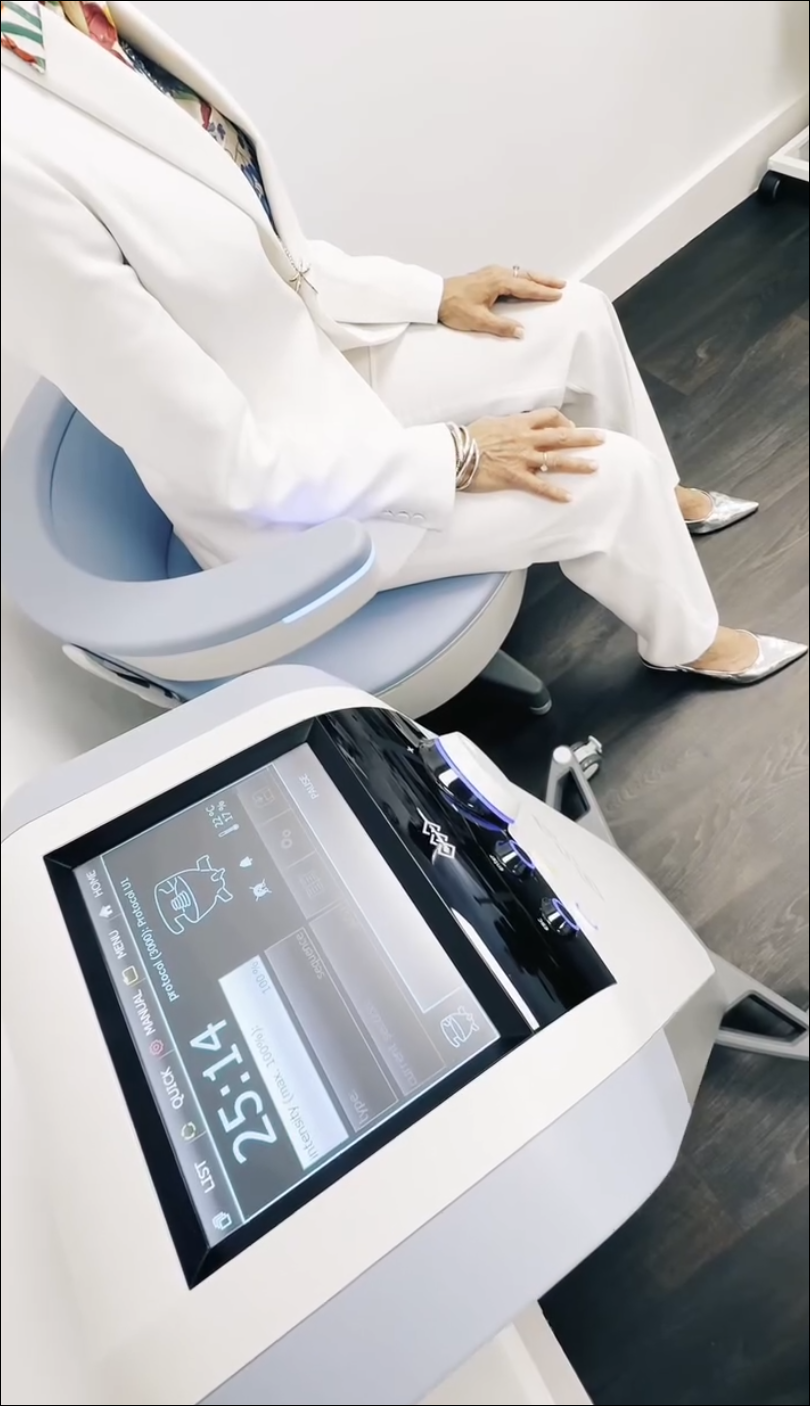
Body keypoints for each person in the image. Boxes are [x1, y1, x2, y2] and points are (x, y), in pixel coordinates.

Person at [1, 1, 805, 685]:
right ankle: (692, 645)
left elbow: (270, 252)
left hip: (319, 373)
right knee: (606, 474)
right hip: (290, 500)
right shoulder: (15, 166)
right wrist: (453, 455)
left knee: (576, 315)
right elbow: (227, 467)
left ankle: (664, 511)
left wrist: (431, 294)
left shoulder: (91, 25)